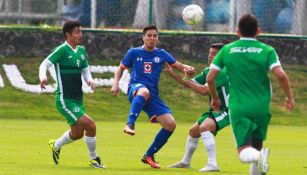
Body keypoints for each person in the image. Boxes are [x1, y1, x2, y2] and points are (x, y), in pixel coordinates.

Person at [206, 14, 294, 175]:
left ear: (237, 31)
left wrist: (215, 99)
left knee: (244, 152)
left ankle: (260, 155)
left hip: (239, 106)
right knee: (256, 148)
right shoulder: (267, 50)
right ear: (258, 31)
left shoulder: (227, 50)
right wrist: (289, 97)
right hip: (261, 107)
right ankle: (260, 156)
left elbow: (210, 77)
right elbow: (281, 75)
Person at [111, 25, 195, 169]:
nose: (152, 38)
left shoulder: (162, 54)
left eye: (154, 36)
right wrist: (115, 84)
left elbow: (180, 66)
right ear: (143, 37)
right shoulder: (134, 52)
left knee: (170, 125)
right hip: (136, 89)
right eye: (149, 35)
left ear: (157, 38)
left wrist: (189, 69)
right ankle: (130, 123)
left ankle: (149, 155)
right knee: (144, 92)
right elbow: (120, 68)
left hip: (153, 95)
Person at [39, 20, 105, 169]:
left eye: (80, 31)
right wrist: (43, 77)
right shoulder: (62, 50)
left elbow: (85, 70)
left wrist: (90, 80)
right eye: (77, 32)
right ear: (68, 34)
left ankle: (55, 145)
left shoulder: (81, 51)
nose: (80, 35)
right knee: (91, 125)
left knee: (77, 134)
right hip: (65, 99)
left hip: (77, 98)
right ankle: (94, 159)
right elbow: (44, 64)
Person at [166, 43, 230, 172]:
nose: (210, 56)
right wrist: (172, 73)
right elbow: (189, 84)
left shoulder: (223, 71)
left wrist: (187, 79)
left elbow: (204, 91)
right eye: (209, 52)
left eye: (214, 53)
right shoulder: (208, 71)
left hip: (227, 111)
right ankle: (185, 162)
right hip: (216, 110)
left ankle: (212, 164)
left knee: (205, 127)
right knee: (194, 131)